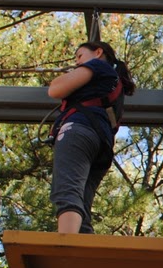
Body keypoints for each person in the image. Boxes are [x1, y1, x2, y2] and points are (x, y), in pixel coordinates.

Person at [48, 40, 134, 234]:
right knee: (83, 202)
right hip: (101, 143)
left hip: (78, 130)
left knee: (67, 190)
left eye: (79, 56)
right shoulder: (114, 83)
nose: (77, 63)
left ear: (97, 52)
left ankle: (66, 245)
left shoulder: (98, 66)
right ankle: (82, 242)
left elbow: (55, 89)